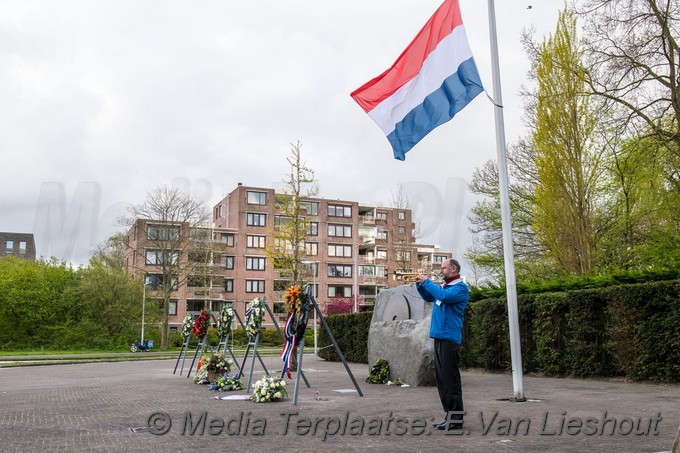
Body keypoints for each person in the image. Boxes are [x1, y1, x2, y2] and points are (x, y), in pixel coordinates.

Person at [415, 258, 469, 430]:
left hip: (449, 338)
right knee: (442, 380)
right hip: (439, 336)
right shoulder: (445, 287)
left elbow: (443, 297)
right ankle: (449, 415)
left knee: (451, 379)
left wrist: (427, 281)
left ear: (453, 269)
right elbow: (429, 296)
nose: (441, 271)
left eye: (444, 268)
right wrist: (420, 284)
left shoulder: (460, 288)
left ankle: (456, 418)